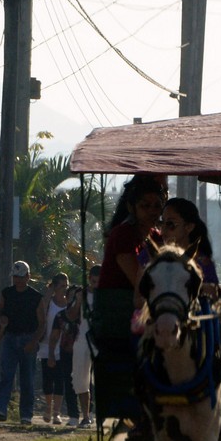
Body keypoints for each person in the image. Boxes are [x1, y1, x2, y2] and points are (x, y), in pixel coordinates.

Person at [0, 260, 45, 423]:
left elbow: (42, 323)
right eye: (15, 277)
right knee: (7, 376)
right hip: (10, 338)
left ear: (28, 276)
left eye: (20, 277)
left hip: (28, 339)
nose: (17, 280)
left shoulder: (36, 297)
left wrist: (33, 342)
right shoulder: (7, 293)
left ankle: (26, 414)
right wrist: (2, 320)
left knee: (27, 379)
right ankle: (1, 408)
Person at [98, 173, 167, 293]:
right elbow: (139, 282)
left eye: (157, 206)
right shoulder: (122, 235)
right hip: (116, 307)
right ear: (131, 207)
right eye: (145, 206)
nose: (152, 211)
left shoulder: (156, 236)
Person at [150, 197, 219, 297]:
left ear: (189, 227)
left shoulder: (203, 263)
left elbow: (212, 297)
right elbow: (138, 299)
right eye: (162, 223)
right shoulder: (150, 255)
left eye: (170, 224)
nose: (163, 229)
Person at [68, 266, 101, 427]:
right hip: (82, 338)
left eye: (99, 282)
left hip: (100, 339)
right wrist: (79, 300)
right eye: (94, 281)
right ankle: (86, 415)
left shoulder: (106, 295)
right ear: (89, 279)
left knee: (101, 378)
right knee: (81, 378)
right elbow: (71, 316)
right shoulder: (80, 294)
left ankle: (100, 414)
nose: (96, 285)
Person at [39, 272, 72, 424]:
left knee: (60, 379)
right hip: (46, 345)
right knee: (47, 379)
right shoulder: (49, 302)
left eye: (66, 286)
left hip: (63, 346)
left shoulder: (69, 303)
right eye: (61, 286)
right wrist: (48, 293)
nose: (64, 289)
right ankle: (48, 407)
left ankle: (56, 412)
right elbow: (41, 313)